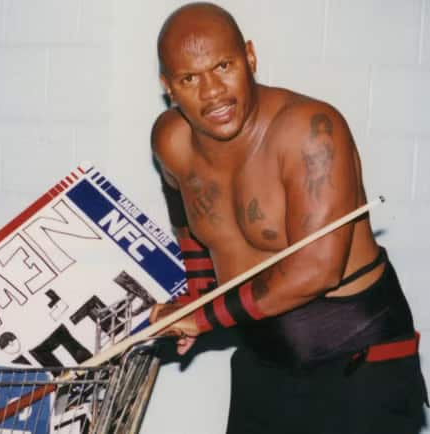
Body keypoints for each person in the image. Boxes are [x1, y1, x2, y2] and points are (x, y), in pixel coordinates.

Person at [148, 3, 427, 433]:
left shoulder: (310, 131)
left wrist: (204, 317)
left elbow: (316, 270)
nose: (212, 93)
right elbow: (186, 214)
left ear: (250, 58)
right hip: (265, 361)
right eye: (189, 79)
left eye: (224, 66)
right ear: (169, 87)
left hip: (358, 368)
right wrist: (198, 294)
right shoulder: (171, 141)